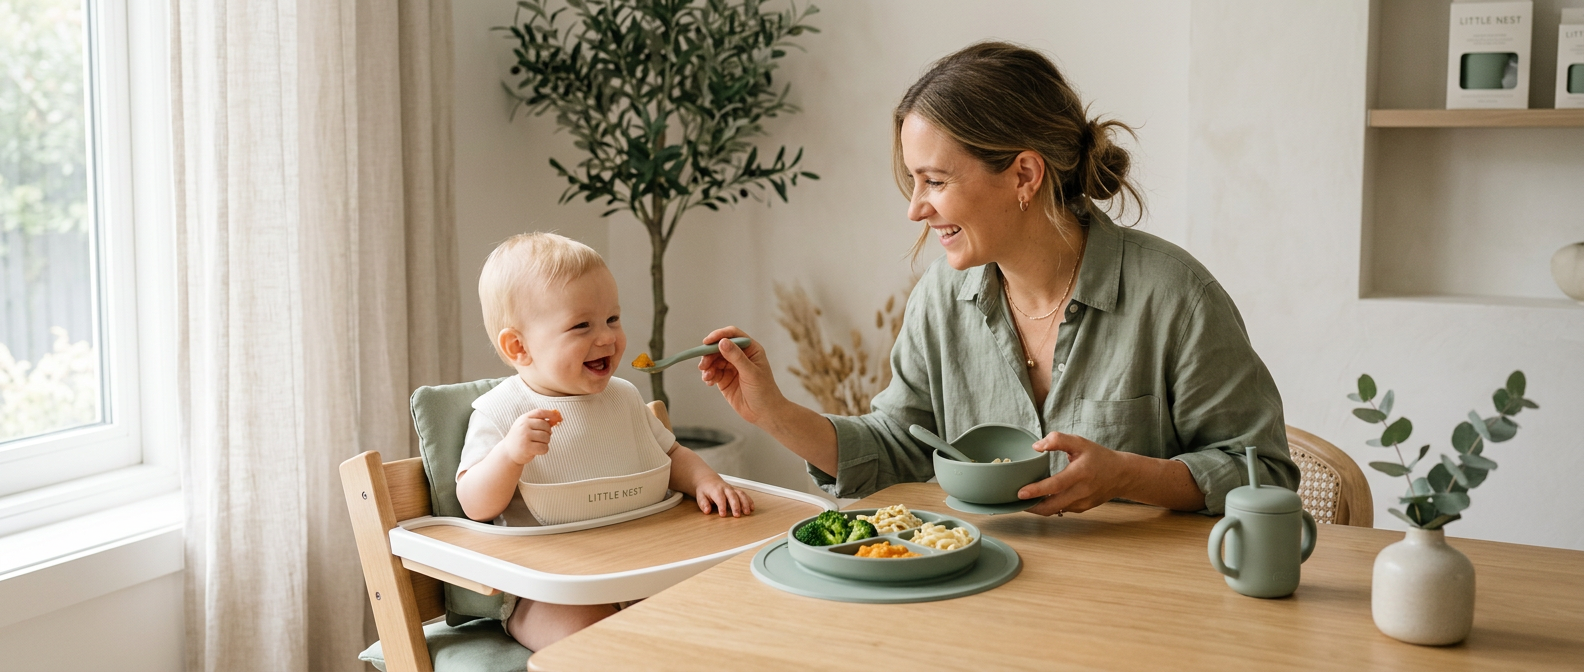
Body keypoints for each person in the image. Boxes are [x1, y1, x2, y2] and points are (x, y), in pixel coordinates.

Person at [697, 41, 1296, 517]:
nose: (915, 209)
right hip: (982, 595)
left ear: (1024, 175)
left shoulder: (1177, 299)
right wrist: (771, 411)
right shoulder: (940, 298)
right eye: (914, 182)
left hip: (1142, 613)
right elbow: (899, 446)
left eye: (934, 181)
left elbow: (1263, 473)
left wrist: (1132, 475)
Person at [456, 232, 753, 651]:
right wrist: (509, 455)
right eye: (582, 325)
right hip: (549, 589)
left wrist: (706, 481)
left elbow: (671, 455)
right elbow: (473, 503)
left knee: (703, 622)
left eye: (612, 319)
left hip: (638, 565)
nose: (608, 337)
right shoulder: (501, 412)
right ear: (519, 346)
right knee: (591, 645)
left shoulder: (624, 397)